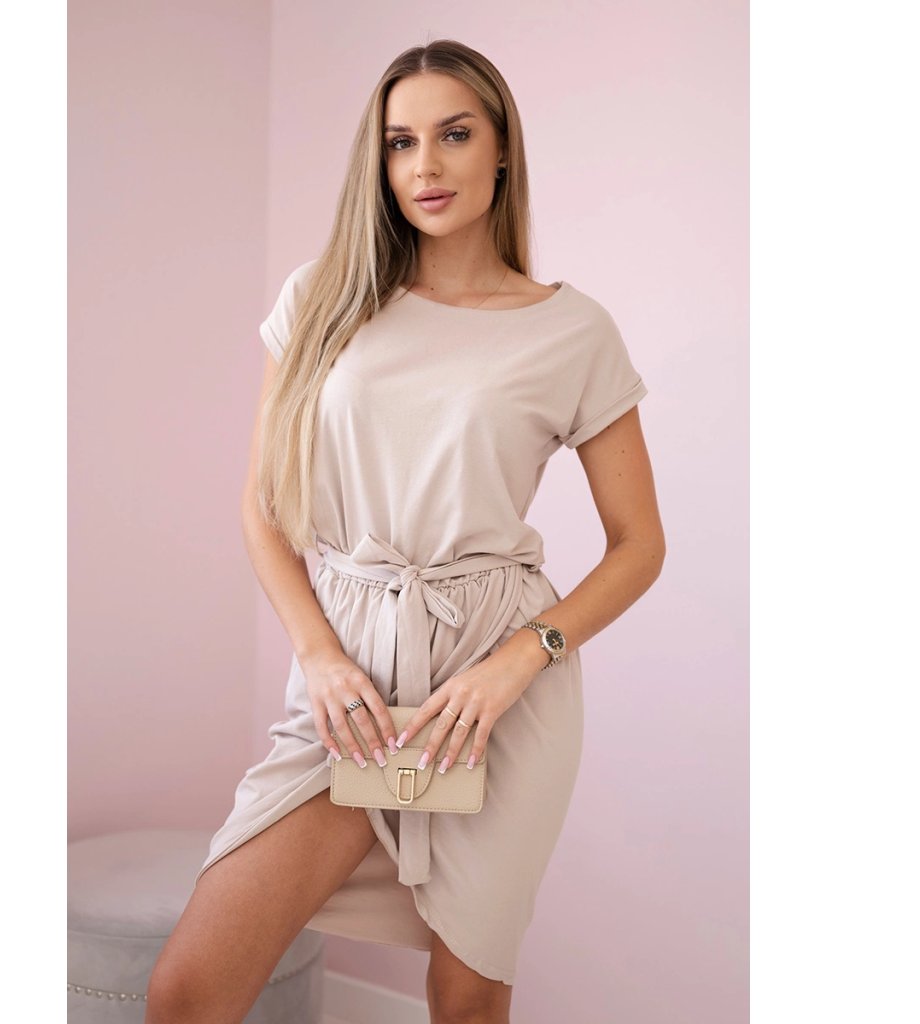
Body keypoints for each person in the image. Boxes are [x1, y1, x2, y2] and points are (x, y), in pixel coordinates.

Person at [146, 38, 665, 1024]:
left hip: (496, 689)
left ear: (502, 148)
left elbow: (640, 543)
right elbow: (263, 505)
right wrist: (319, 654)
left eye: (453, 135)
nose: (425, 165)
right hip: (350, 671)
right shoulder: (322, 299)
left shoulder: (572, 331)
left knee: (467, 1002)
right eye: (400, 142)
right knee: (188, 991)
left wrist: (519, 661)